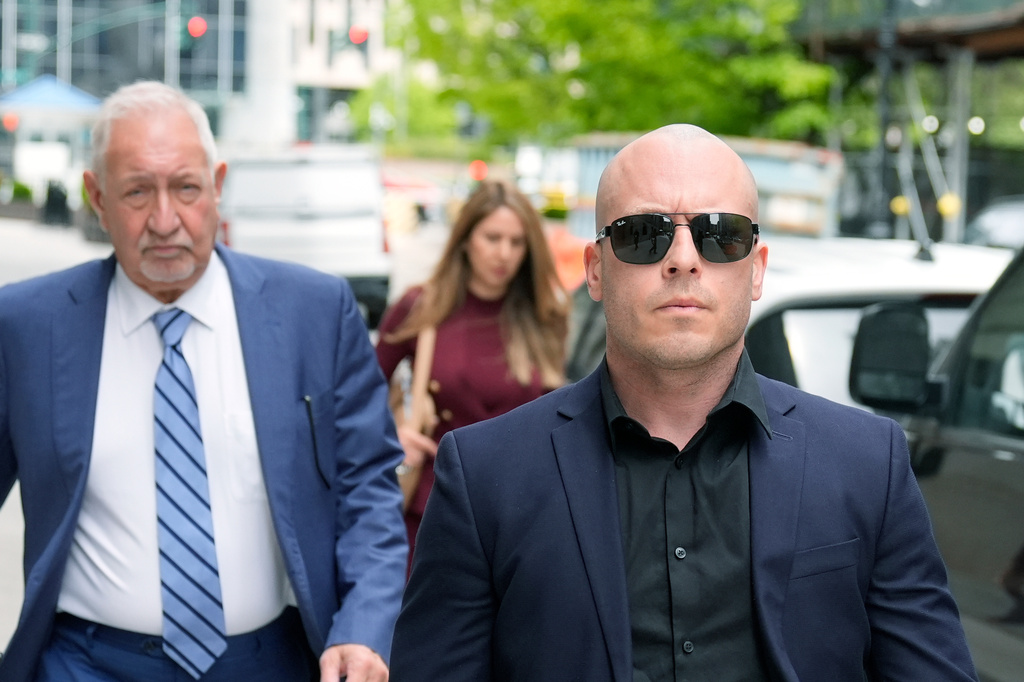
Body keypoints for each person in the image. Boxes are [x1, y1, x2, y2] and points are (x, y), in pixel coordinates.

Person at [390, 124, 978, 681]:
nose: (683, 258)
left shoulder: (868, 463)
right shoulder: (485, 473)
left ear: (756, 269)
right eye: (642, 234)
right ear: (595, 270)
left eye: (721, 234)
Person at [0, 81, 407, 682]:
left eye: (186, 188)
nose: (165, 221)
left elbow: (367, 490)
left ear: (217, 185)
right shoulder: (27, 327)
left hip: (267, 664)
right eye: (137, 191)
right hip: (83, 665)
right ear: (96, 197)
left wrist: (363, 630)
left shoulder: (314, 314)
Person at [375, 179, 568, 569]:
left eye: (517, 242)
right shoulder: (421, 307)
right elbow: (359, 393)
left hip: (524, 514)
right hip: (434, 509)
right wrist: (392, 437)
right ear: (465, 239)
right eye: (492, 238)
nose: (504, 253)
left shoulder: (545, 316)